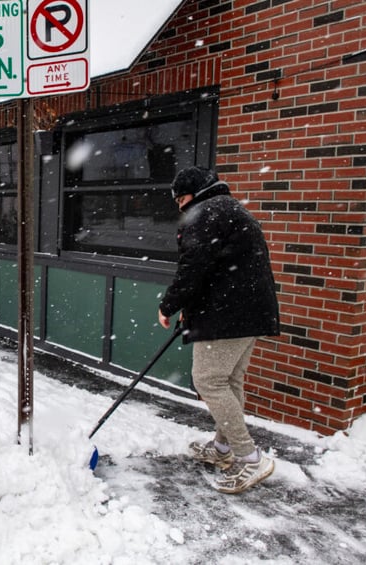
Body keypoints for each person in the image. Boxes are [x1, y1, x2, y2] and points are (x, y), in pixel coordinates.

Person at [157, 166, 280, 494]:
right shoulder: (232, 208)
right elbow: (218, 269)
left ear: (190, 195)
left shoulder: (203, 214)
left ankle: (249, 456)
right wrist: (191, 309)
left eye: (179, 199)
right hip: (249, 312)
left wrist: (169, 305)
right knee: (229, 381)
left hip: (227, 315)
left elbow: (194, 267)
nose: (179, 207)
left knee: (209, 380)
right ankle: (224, 450)